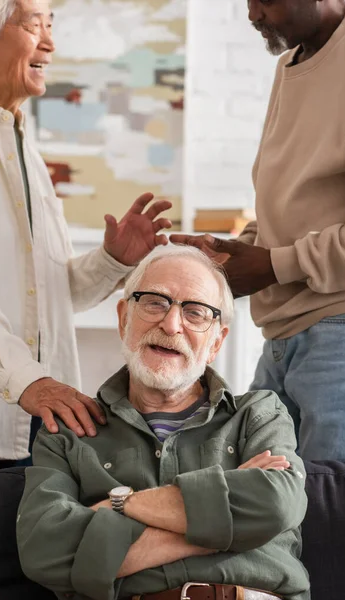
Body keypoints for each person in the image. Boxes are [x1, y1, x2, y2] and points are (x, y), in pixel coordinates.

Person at [16, 245, 310, 600]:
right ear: (124, 317)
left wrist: (120, 505)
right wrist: (225, 529)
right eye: (155, 302)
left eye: (195, 312)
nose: (171, 325)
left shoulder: (260, 414)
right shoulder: (67, 432)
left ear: (217, 340)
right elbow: (44, 551)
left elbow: (276, 505)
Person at [171, 0, 345, 461]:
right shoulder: (294, 61)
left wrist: (274, 265)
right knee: (272, 504)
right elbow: (298, 205)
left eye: (266, 0)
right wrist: (237, 253)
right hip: (285, 330)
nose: (253, 15)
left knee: (337, 511)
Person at [0, 0, 172, 468]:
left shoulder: (22, 147)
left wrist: (113, 260)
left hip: (39, 421)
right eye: (34, 26)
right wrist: (28, 380)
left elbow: (49, 298)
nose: (50, 43)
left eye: (52, 26)